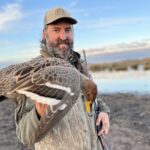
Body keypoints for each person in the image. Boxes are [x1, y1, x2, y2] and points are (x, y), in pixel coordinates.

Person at [14, 7, 110, 150]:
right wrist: (38, 115)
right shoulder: (34, 73)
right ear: (45, 33)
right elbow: (24, 135)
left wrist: (103, 111)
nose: (63, 36)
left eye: (68, 29)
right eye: (56, 30)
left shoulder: (80, 65)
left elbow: (91, 99)